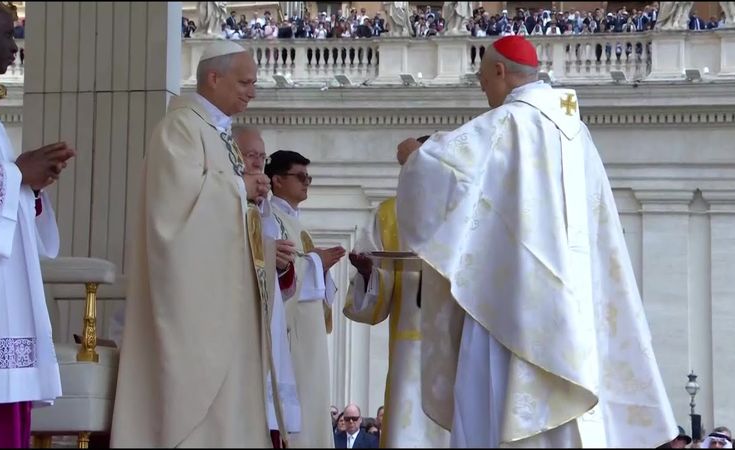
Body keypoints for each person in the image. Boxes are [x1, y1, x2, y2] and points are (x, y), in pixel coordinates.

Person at [394, 35, 676, 447]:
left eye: (481, 76)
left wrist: (412, 157)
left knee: (495, 398)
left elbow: (443, 172)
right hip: (573, 302)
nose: (481, 86)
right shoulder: (576, 131)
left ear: (499, 71)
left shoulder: (507, 123)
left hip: (507, 306)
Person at [110, 40, 273, 447]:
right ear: (213, 78)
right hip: (195, 307)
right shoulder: (181, 127)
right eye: (245, 82)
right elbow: (172, 209)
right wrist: (238, 188)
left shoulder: (218, 135)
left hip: (227, 299)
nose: (252, 91)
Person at [0, 5, 76, 447]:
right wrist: (16, 173)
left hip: (6, 303)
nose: (13, 46)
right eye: (6, 35)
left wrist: (31, 184)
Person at [344, 195, 450, 448]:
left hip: (459, 341)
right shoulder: (390, 214)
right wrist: (368, 272)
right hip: (410, 349)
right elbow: (373, 304)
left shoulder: (472, 201)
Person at [264, 150, 346, 448]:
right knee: (300, 406)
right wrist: (315, 263)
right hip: (291, 332)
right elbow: (278, 272)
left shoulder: (296, 222)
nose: (306, 183)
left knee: (314, 403)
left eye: (308, 177)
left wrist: (319, 266)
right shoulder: (270, 217)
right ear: (277, 180)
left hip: (309, 332)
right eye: (300, 177)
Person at [235, 125, 302, 448]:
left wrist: (283, 263)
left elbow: (284, 286)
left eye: (261, 157)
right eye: (250, 156)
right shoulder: (223, 201)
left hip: (267, 322)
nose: (257, 163)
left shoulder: (270, 214)